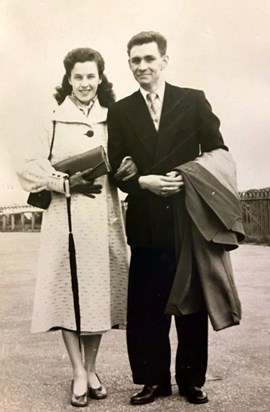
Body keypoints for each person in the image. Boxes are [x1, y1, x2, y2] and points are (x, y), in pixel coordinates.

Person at [107, 31, 243, 406]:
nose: (142, 67)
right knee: (148, 305)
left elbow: (218, 151)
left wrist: (186, 176)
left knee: (191, 303)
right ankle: (152, 381)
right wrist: (143, 182)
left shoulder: (193, 100)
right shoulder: (120, 111)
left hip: (188, 221)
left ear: (164, 60)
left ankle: (191, 381)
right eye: (135, 60)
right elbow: (115, 166)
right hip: (145, 222)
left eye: (149, 59)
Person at [17, 47, 128, 408]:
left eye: (90, 76)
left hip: (102, 220)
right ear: (68, 79)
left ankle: (92, 368)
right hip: (62, 219)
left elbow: (125, 160)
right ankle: (78, 371)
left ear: (101, 78)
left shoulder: (113, 117)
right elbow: (26, 166)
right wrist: (63, 182)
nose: (84, 83)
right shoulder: (51, 117)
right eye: (77, 77)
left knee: (98, 294)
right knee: (66, 292)